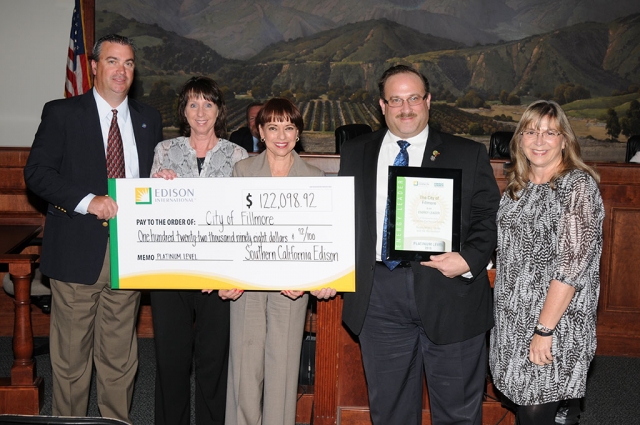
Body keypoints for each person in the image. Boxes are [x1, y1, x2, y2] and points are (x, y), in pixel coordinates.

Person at [339, 64, 500, 425]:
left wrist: (469, 259)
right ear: (382, 106)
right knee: (390, 411)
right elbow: (341, 218)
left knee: (457, 411)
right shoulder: (356, 152)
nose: (406, 108)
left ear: (428, 101)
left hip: (449, 290)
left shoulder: (466, 152)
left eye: (413, 98)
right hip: (378, 296)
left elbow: (489, 215)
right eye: (396, 100)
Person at [23, 34, 162, 423]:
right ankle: (70, 422)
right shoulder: (62, 113)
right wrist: (88, 200)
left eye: (130, 63)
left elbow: (145, 179)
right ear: (94, 67)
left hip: (130, 253)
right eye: (114, 61)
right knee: (71, 357)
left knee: (120, 354)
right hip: (77, 249)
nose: (122, 71)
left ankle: (116, 420)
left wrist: (163, 181)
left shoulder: (149, 118)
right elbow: (36, 173)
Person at [219, 98, 336, 425]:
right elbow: (230, 231)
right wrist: (227, 278)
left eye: (288, 127)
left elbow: (321, 238)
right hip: (247, 290)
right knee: (244, 373)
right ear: (260, 132)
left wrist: (315, 280)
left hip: (292, 291)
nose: (281, 134)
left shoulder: (314, 176)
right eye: (273, 127)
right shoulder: (242, 171)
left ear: (298, 133)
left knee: (283, 376)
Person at [489, 100, 604, 425]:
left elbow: (571, 269)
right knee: (533, 407)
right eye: (531, 131)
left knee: (535, 411)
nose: (539, 140)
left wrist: (544, 329)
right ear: (520, 139)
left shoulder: (577, 187)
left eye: (549, 133)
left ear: (564, 140)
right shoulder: (519, 186)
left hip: (554, 322)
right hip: (514, 318)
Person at [150, 76, 248, 425]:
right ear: (184, 110)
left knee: (213, 362)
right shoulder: (164, 151)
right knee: (171, 360)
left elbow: (245, 217)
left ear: (219, 110)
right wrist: (156, 189)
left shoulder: (238, 155)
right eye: (193, 104)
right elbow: (150, 215)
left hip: (217, 275)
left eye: (208, 103)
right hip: (171, 272)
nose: (201, 111)